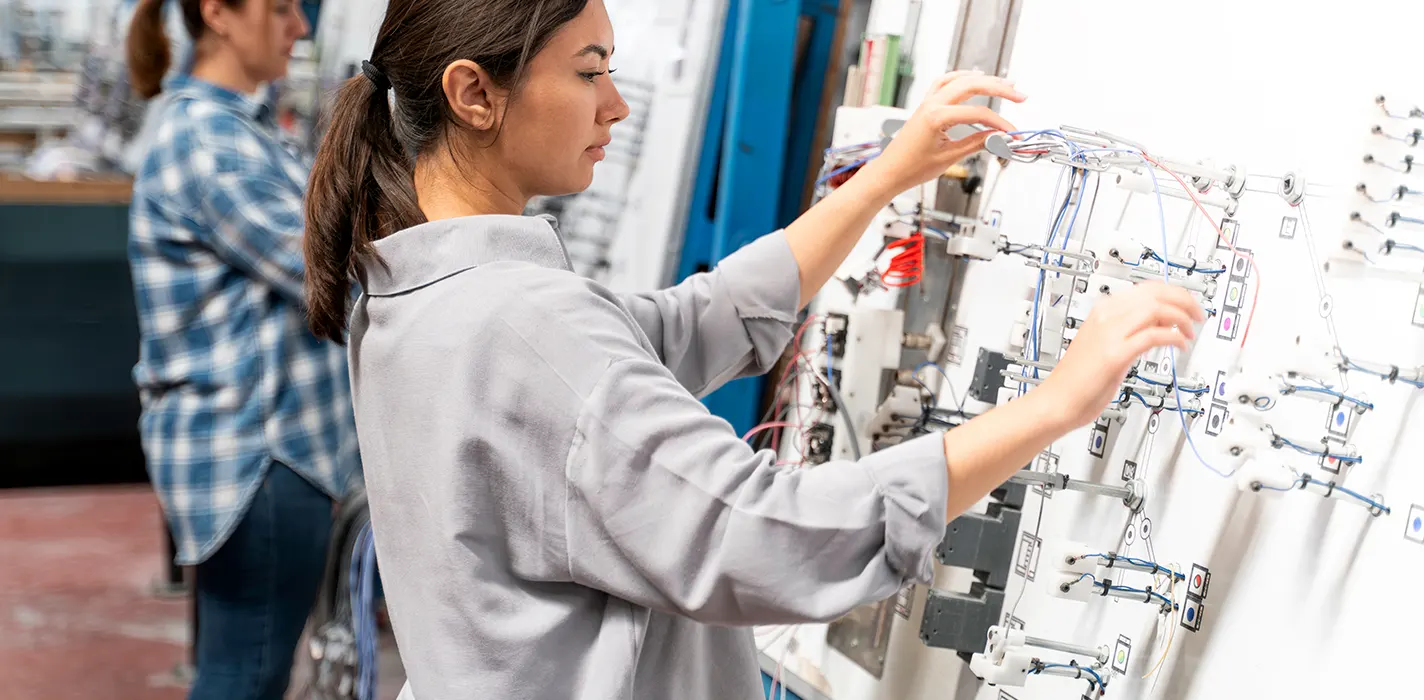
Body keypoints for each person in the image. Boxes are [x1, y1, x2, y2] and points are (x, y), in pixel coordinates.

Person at [302, 0, 1204, 698]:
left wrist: (885, 177)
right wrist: (1055, 405)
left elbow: (698, 322)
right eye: (588, 73)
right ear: (473, 93)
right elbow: (763, 536)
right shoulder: (524, 326)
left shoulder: (407, 293)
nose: (614, 104)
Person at [125, 1, 360, 698]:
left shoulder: (238, 131)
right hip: (262, 458)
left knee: (242, 666)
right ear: (218, 13)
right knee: (244, 675)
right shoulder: (212, 145)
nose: (301, 27)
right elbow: (328, 277)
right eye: (282, 7)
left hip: (262, 457)